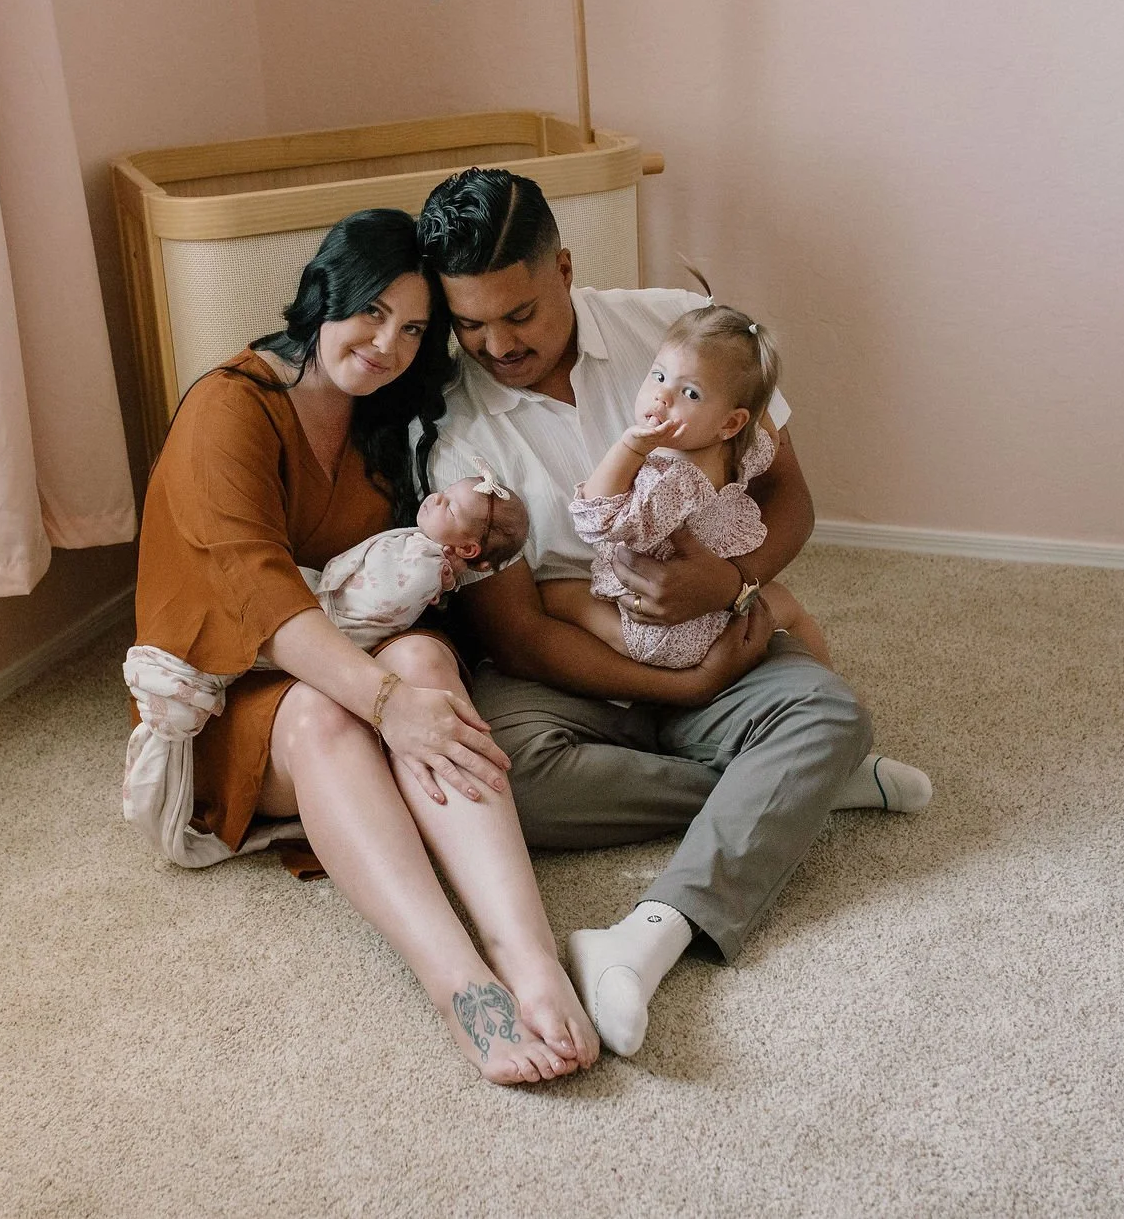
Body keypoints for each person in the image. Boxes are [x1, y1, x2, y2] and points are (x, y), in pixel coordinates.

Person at [418, 169, 933, 1058]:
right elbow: (518, 635)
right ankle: (792, 790)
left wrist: (733, 584)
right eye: (470, 322)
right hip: (572, 656)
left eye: (521, 313)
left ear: (566, 268)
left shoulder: (683, 334)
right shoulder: (454, 427)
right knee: (504, 786)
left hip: (708, 611)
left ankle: (648, 932)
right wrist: (693, 682)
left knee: (831, 712)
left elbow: (789, 495)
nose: (497, 343)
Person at [132, 208, 598, 1083]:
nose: (388, 344)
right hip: (230, 699)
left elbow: (411, 570)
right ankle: (462, 984)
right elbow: (262, 603)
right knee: (325, 711)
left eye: (415, 328)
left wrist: (495, 528)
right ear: (325, 292)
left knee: (426, 658)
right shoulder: (228, 408)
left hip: (356, 660)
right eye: (373, 311)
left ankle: (529, 956)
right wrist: (388, 706)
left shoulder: (383, 419)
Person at [552, 301, 832, 668]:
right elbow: (769, 439)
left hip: (660, 626)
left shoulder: (671, 480)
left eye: (691, 393)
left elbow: (597, 519)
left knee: (559, 595)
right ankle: (830, 673)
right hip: (718, 606)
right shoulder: (739, 450)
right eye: (659, 375)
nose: (663, 396)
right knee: (786, 606)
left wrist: (628, 448)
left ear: (730, 422)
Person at [285, 466, 530, 655]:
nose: (436, 499)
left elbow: (384, 604)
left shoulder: (426, 567)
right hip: (326, 590)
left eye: (450, 508)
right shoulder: (425, 549)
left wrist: (326, 611)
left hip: (335, 619)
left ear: (467, 549)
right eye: (444, 493)